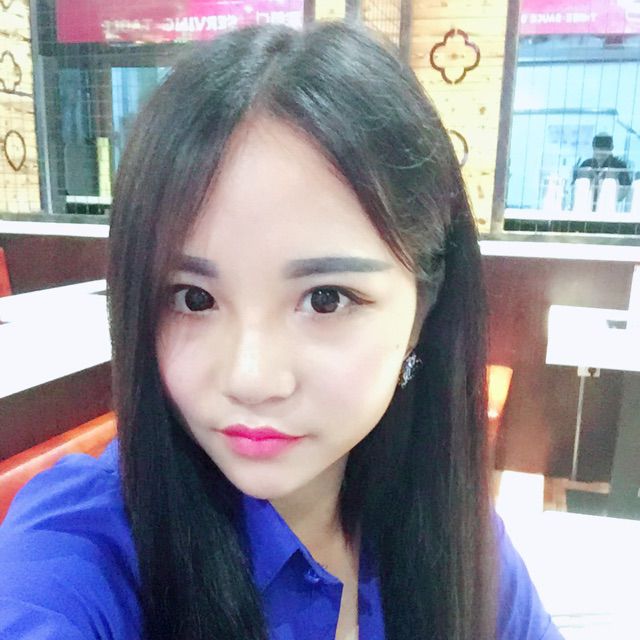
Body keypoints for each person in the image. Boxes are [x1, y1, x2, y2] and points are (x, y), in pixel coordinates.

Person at [0, 22, 563, 640]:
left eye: (326, 299)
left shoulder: (459, 541)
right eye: (194, 299)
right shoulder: (85, 549)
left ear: (421, 311)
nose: (252, 378)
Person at [576, 133, 632, 204]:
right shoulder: (586, 164)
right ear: (593, 148)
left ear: (611, 148)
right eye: (598, 149)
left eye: (604, 149)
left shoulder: (619, 166)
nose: (600, 152)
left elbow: (625, 190)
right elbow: (576, 187)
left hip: (610, 205)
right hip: (585, 204)